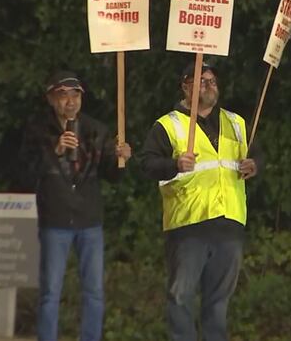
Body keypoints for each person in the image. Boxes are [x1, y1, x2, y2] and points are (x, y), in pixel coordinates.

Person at [137, 61, 263, 341]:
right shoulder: (168, 124)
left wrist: (255, 165)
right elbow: (146, 164)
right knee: (181, 297)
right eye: (201, 80)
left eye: (212, 81)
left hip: (229, 223)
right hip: (188, 225)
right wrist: (174, 164)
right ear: (185, 86)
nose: (209, 85)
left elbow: (256, 156)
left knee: (218, 303)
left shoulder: (236, 122)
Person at [17, 70, 132, 341]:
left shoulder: (97, 130)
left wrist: (121, 159)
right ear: (50, 98)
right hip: (54, 220)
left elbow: (112, 176)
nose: (70, 101)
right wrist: (54, 152)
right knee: (50, 292)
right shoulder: (37, 131)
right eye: (63, 95)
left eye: (76, 94)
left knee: (93, 291)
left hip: (89, 220)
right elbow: (23, 173)